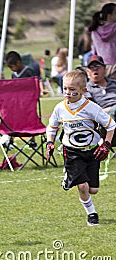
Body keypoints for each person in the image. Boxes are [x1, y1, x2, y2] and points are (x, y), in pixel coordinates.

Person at [46, 70, 115, 226]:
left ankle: (68, 177)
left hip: (92, 151)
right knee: (82, 186)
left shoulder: (91, 108)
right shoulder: (60, 108)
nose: (68, 93)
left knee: (93, 190)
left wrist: (106, 144)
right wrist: (50, 142)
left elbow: (111, 125)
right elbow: (52, 127)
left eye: (72, 90)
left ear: (84, 91)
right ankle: (92, 215)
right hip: (72, 151)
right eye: (65, 89)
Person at [85, 55, 116, 120]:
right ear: (88, 72)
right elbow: (90, 111)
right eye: (91, 67)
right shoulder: (86, 89)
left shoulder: (114, 83)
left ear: (105, 69)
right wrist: (110, 109)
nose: (95, 69)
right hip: (104, 116)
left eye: (98, 66)